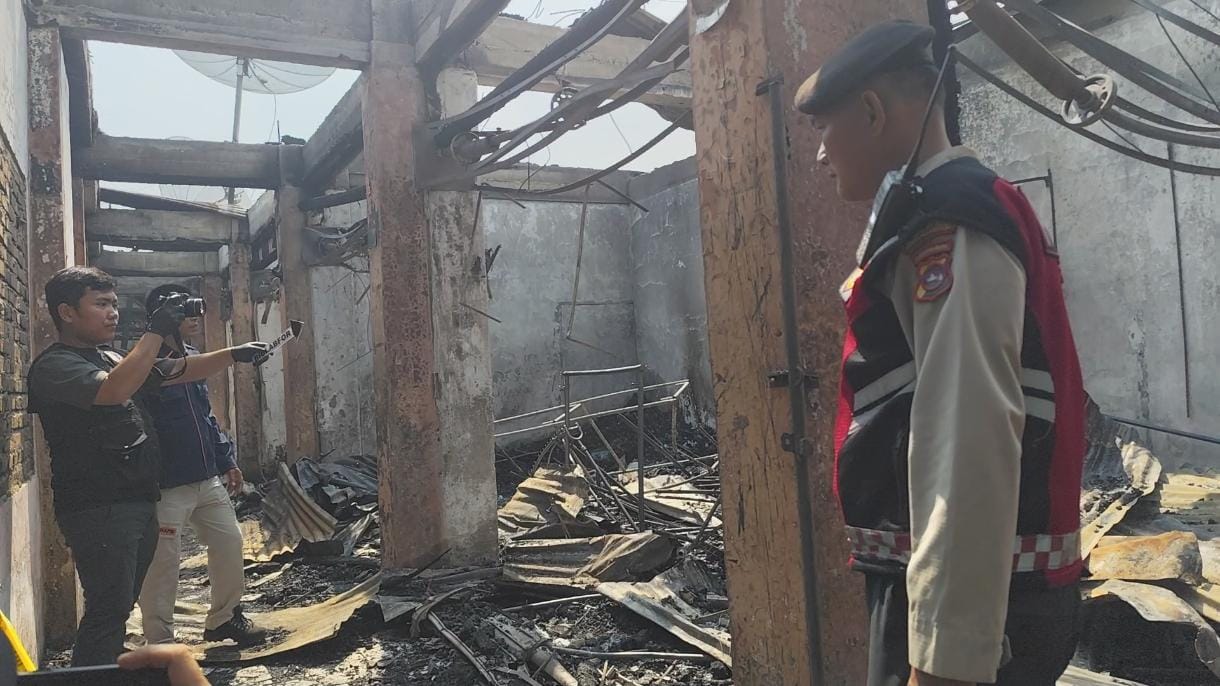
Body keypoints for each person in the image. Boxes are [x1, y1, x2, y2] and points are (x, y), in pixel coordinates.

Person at [794, 21, 1085, 686]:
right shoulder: (953, 210)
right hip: (985, 592)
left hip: (984, 607)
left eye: (824, 129)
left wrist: (945, 657)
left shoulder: (948, 224)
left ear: (872, 112)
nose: (819, 155)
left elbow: (967, 435)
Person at [27, 267, 268, 666]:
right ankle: (91, 672)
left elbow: (174, 371)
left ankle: (106, 666)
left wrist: (232, 354)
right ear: (67, 313)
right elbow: (113, 389)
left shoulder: (110, 356)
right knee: (108, 607)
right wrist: (155, 331)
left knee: (119, 607)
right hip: (98, 506)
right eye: (101, 304)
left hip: (137, 498)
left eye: (114, 303)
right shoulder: (56, 366)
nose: (113, 312)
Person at [137, 284, 266, 647]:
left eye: (194, 309)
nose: (194, 317)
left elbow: (205, 417)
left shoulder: (195, 356)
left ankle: (224, 619)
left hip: (207, 477)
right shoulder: (144, 363)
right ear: (163, 316)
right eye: (183, 311)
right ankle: (160, 641)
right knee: (163, 564)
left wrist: (226, 459)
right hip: (167, 484)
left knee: (230, 542)